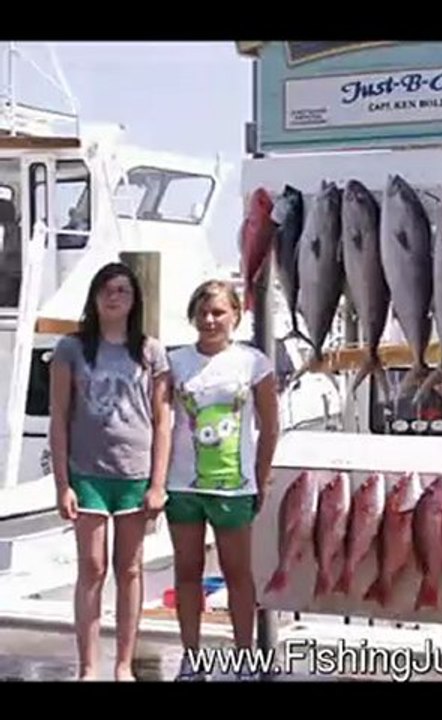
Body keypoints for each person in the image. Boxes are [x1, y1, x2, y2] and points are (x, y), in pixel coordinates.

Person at [49, 262, 171, 681]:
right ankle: (88, 667)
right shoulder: (71, 348)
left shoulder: (151, 351)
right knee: (93, 567)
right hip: (87, 473)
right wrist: (63, 484)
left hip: (134, 475)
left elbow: (162, 420)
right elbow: (59, 416)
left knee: (131, 568)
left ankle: (123, 665)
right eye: (106, 289)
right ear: (95, 296)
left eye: (122, 289)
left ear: (134, 299)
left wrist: (158, 483)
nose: (114, 296)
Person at [165, 280, 279, 681]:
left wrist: (261, 478)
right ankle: (191, 656)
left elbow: (270, 426)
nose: (210, 320)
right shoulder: (174, 362)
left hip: (234, 487)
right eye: (203, 312)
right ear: (193, 315)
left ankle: (245, 656)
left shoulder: (253, 363)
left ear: (236, 316)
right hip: (182, 486)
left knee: (237, 573)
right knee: (187, 570)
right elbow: (162, 423)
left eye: (218, 312)